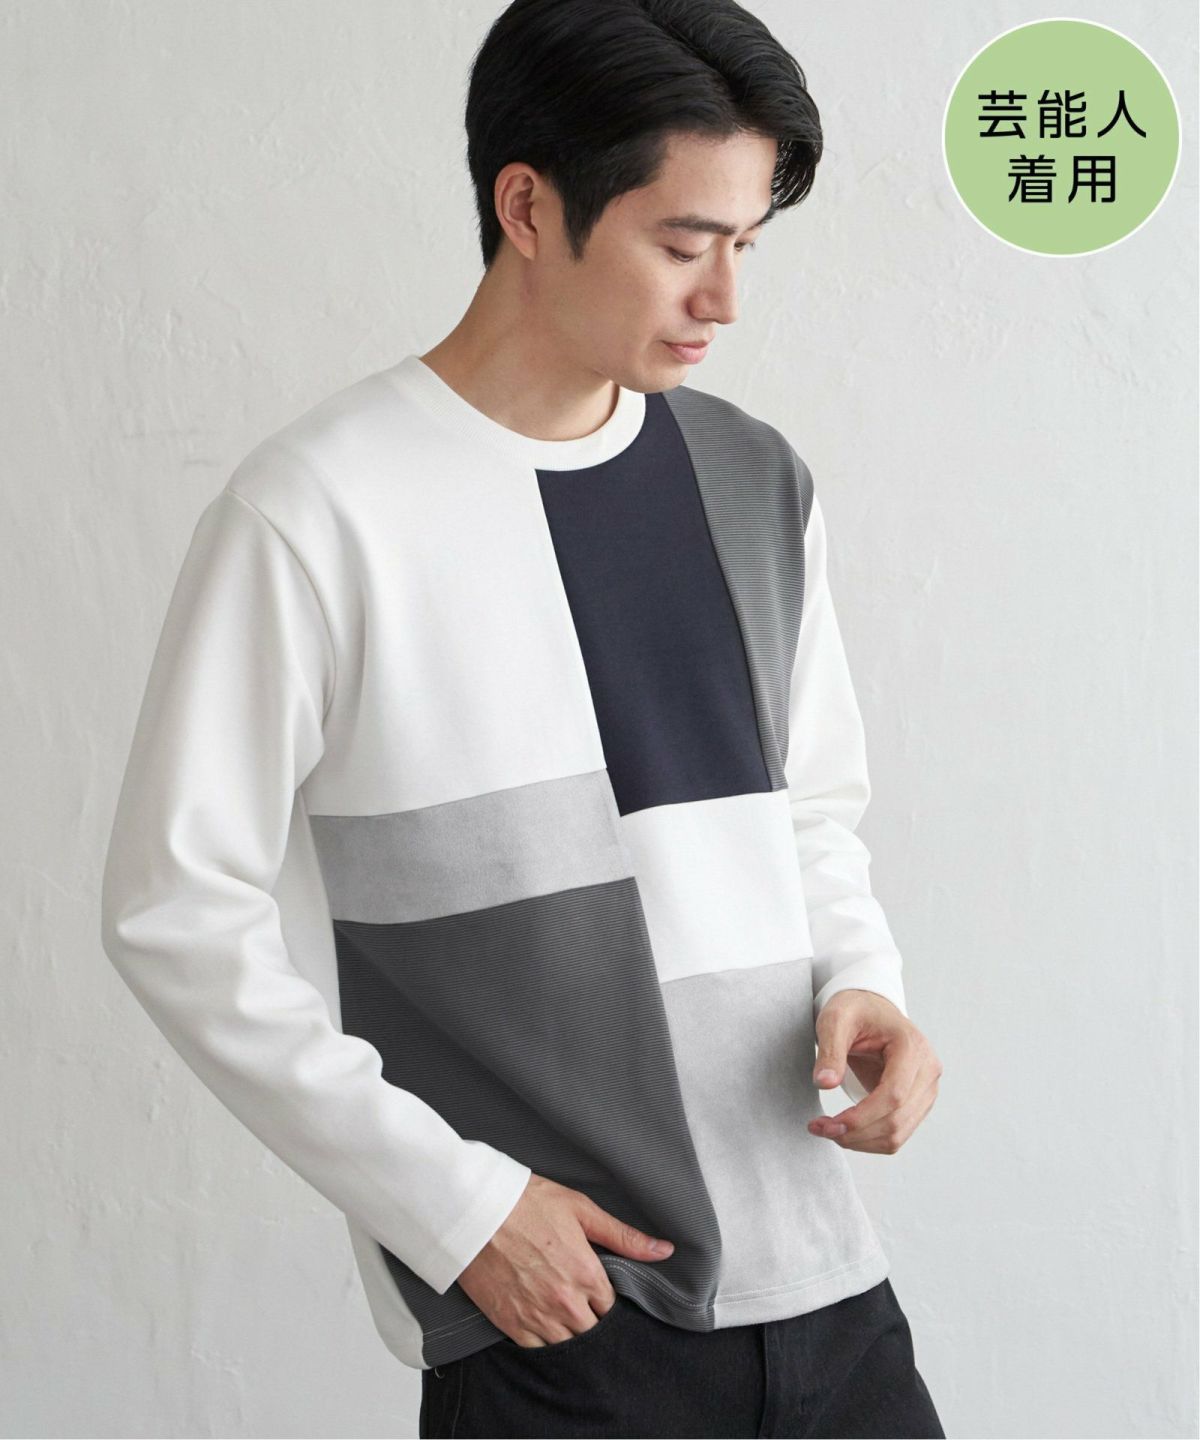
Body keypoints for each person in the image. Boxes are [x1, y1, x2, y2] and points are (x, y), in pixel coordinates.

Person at [100, 0, 946, 1435]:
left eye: (746, 246)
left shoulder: (753, 479)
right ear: (529, 207)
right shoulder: (320, 511)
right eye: (684, 243)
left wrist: (864, 980)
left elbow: (807, 813)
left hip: (828, 1288)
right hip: (567, 1321)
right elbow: (175, 910)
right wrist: (457, 1209)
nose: (724, 300)